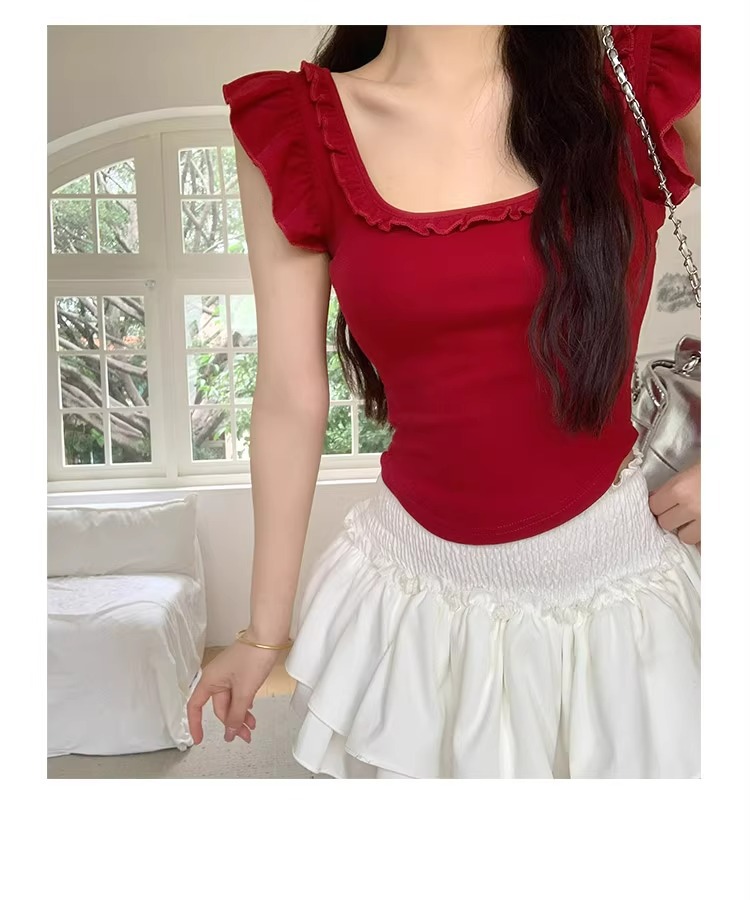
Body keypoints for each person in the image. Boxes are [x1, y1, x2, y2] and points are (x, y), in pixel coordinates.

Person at [187, 25, 702, 778]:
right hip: (411, 606)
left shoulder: (635, 75)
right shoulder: (298, 127)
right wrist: (263, 632)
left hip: (625, 591)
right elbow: (291, 393)